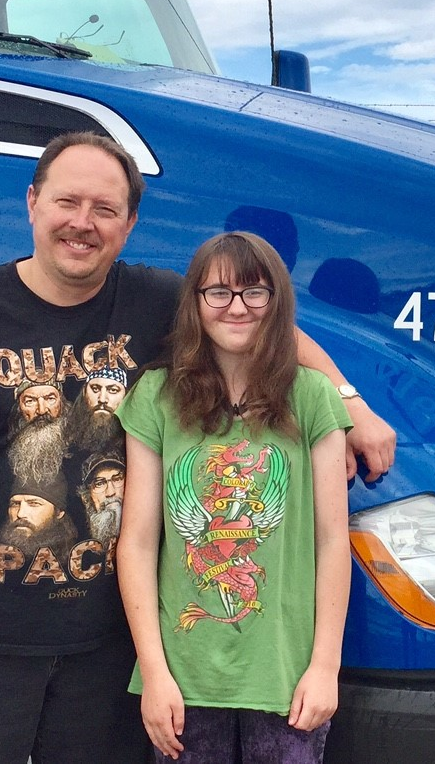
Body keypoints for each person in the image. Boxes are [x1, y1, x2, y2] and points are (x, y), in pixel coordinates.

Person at [0, 132, 394, 764]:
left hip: (107, 653)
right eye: (68, 202)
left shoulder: (152, 301)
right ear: (33, 203)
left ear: (129, 225)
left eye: (105, 209)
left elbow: (260, 323)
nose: (82, 224)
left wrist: (351, 403)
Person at [116, 231, 350, 762]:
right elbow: (136, 542)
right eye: (217, 292)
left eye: (254, 291)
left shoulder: (312, 396)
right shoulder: (156, 397)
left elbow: (334, 541)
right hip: (184, 676)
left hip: (287, 675)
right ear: (195, 305)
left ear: (277, 301)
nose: (236, 306)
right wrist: (153, 673)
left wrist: (324, 667)